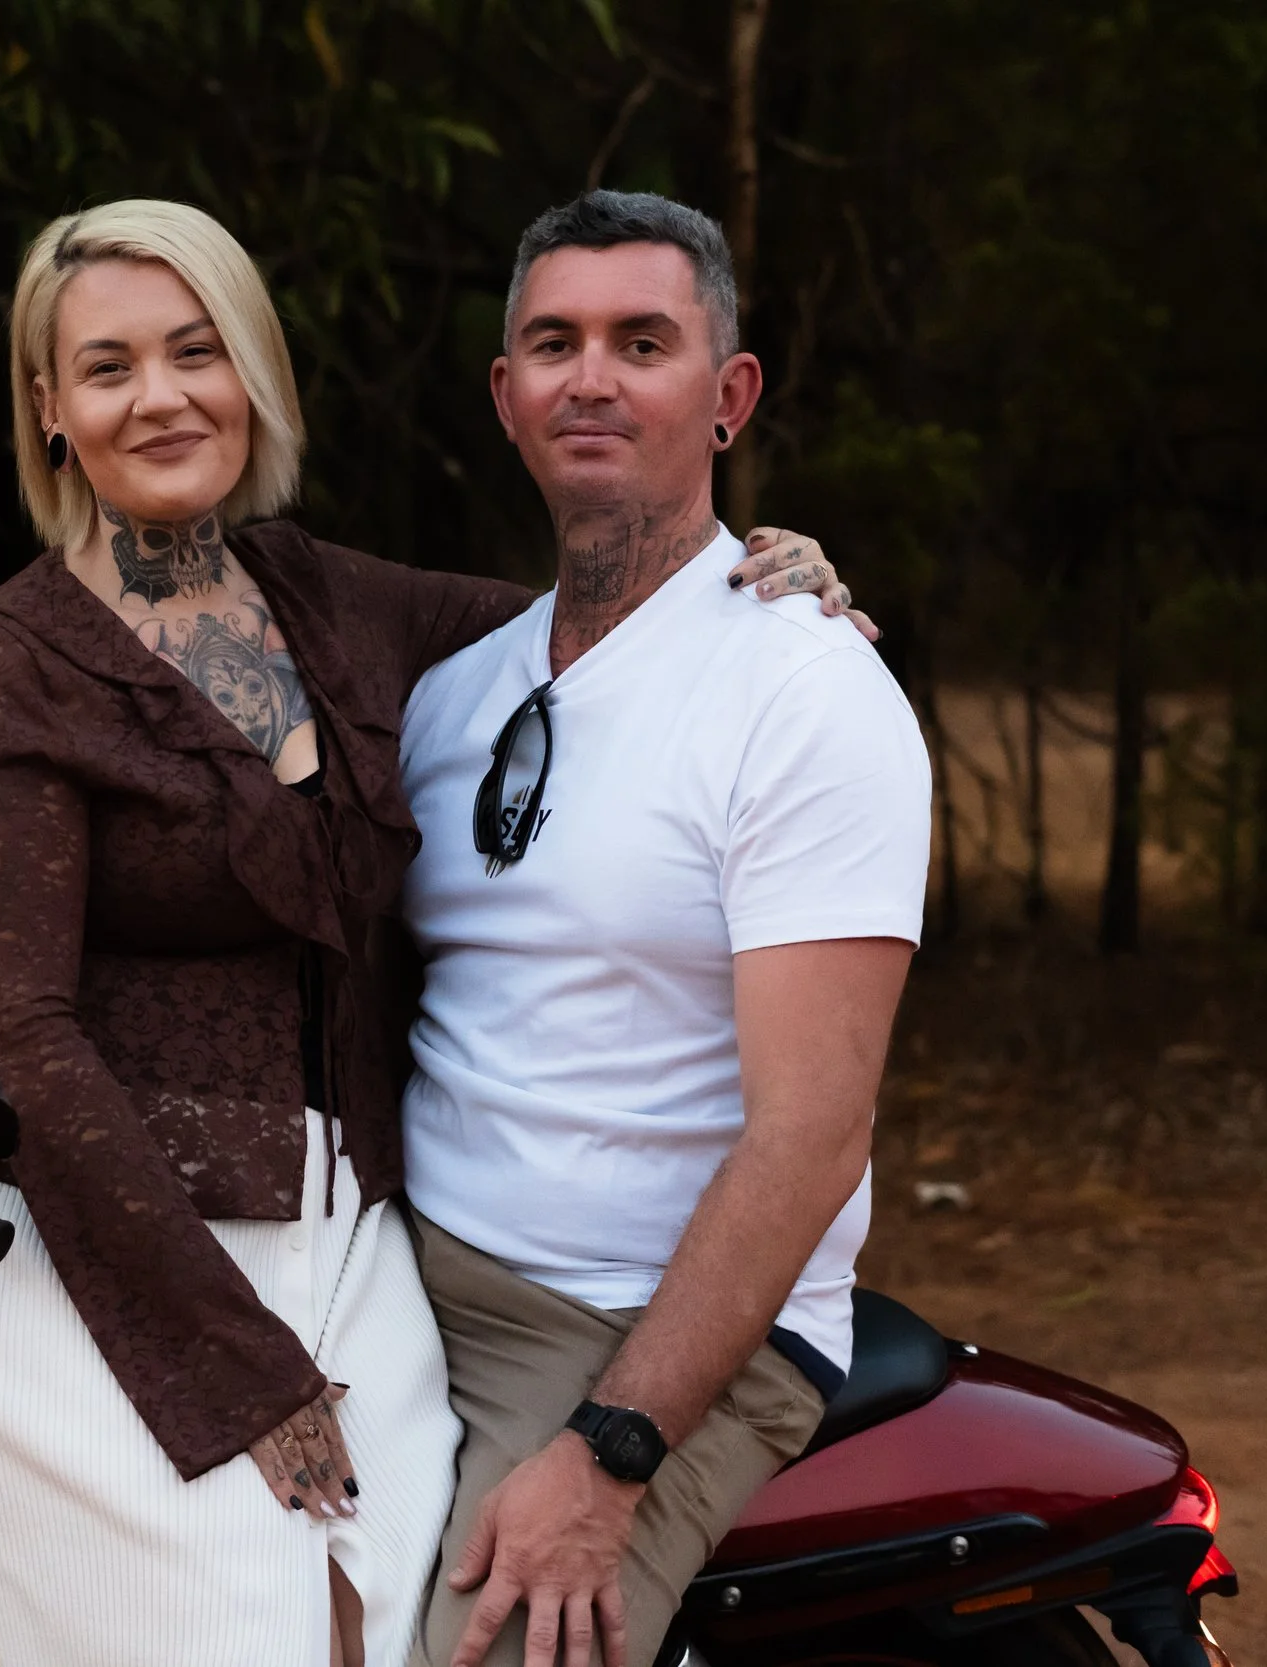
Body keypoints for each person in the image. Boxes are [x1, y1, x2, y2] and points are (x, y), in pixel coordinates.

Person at [0, 198, 864, 1667]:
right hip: (88, 1242)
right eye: (107, 367)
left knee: (400, 1633)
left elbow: (616, 619)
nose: (160, 396)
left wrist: (775, 573)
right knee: (253, 1642)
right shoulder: (11, 664)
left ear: (252, 373)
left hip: (350, 1230)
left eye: (195, 351)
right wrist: (240, 1367)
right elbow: (20, 1038)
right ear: (51, 409)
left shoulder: (328, 599)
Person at [397, 190, 934, 1667]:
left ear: (728, 395)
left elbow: (814, 1131)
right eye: (554, 342)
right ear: (506, 396)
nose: (593, 376)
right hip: (408, 1276)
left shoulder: (804, 691)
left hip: (637, 1322)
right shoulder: (451, 689)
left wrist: (609, 1448)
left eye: (644, 341)